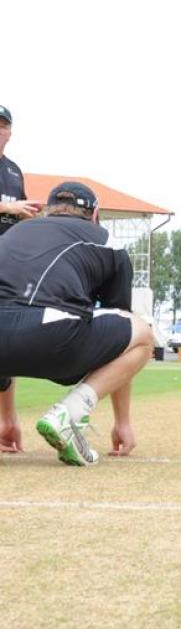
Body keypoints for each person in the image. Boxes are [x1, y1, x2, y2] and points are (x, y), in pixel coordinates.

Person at [0, 181, 154, 465]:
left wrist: (6, 419)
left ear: (48, 211)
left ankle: (12, 421)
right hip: (54, 339)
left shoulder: (12, 233)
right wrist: (123, 422)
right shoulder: (107, 241)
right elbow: (121, 335)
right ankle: (69, 414)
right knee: (142, 334)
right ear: (95, 214)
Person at [0, 105, 42, 453]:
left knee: (6, 343)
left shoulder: (13, 171)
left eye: (3, 125)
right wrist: (8, 208)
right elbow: (10, 209)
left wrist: (28, 217)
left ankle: (8, 421)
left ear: (10, 132)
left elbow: (18, 213)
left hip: (8, 264)